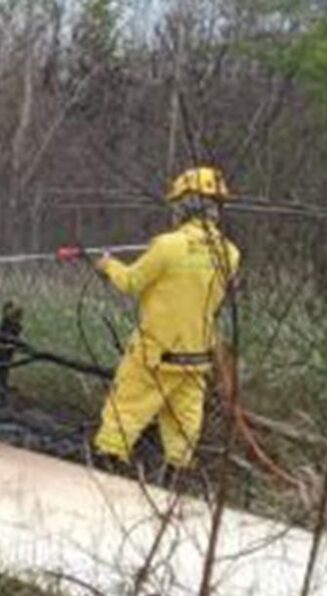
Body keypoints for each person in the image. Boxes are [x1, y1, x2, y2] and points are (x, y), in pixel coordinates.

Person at [91, 165, 241, 472]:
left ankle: (106, 470)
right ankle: (177, 485)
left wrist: (107, 265)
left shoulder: (167, 246)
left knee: (123, 416)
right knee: (184, 431)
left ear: (183, 205)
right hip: (196, 357)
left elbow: (130, 282)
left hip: (155, 355)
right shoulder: (230, 254)